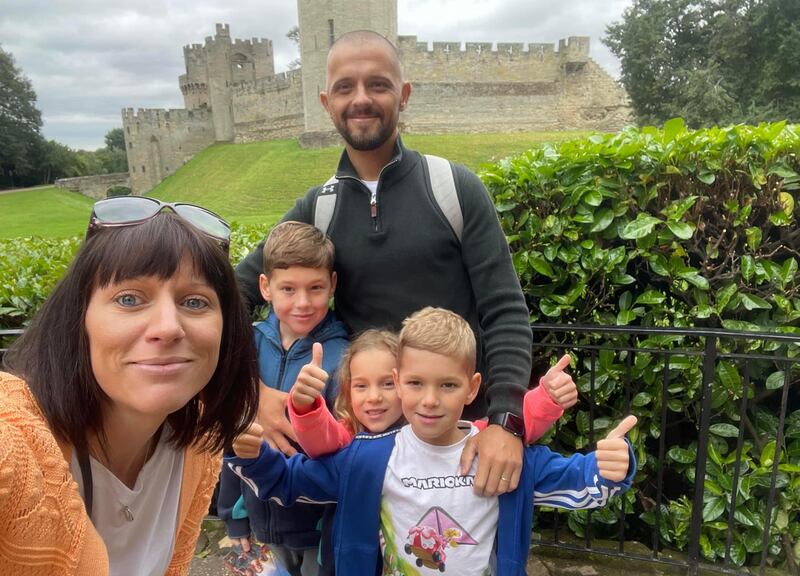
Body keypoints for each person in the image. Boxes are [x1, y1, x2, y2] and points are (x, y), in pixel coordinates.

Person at [235, 29, 537, 496]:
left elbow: (506, 313)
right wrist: (251, 395)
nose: (361, 99)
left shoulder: (454, 188)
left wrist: (506, 422)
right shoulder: (319, 208)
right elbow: (227, 297)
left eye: (378, 84)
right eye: (345, 87)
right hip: (363, 453)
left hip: (459, 451)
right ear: (325, 101)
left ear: (404, 94)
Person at [227, 307, 637, 575]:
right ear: (399, 385)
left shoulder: (499, 453)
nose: (429, 400)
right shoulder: (366, 458)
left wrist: (610, 467)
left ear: (473, 388)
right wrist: (254, 455)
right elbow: (288, 482)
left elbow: (577, 481)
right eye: (415, 383)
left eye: (447, 385)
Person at [0, 196, 260, 575]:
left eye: (195, 301)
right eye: (128, 298)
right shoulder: (13, 445)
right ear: (79, 319)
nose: (169, 326)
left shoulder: (198, 448)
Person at [218, 221, 349, 576]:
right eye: (288, 289)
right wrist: (233, 517)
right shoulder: (244, 347)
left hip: (319, 528)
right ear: (265, 287)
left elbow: (343, 451)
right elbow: (233, 435)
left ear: (333, 285)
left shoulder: (346, 357)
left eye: (316, 288)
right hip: (259, 522)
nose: (303, 303)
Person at [287, 330, 576, 457]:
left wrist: (546, 397)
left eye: (387, 384)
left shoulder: (437, 431)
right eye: (361, 386)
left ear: (402, 385)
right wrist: (305, 404)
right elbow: (322, 443)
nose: (374, 396)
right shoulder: (349, 437)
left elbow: (499, 430)